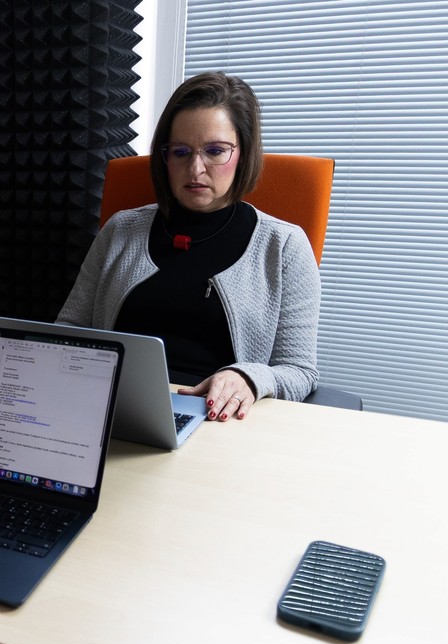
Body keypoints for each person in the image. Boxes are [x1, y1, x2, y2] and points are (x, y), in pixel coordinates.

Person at [58, 71, 320, 420]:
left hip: (219, 421)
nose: (195, 168)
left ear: (244, 153)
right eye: (180, 152)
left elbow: (299, 370)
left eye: (215, 151)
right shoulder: (120, 230)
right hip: (108, 411)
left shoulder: (284, 246)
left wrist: (248, 377)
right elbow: (68, 331)